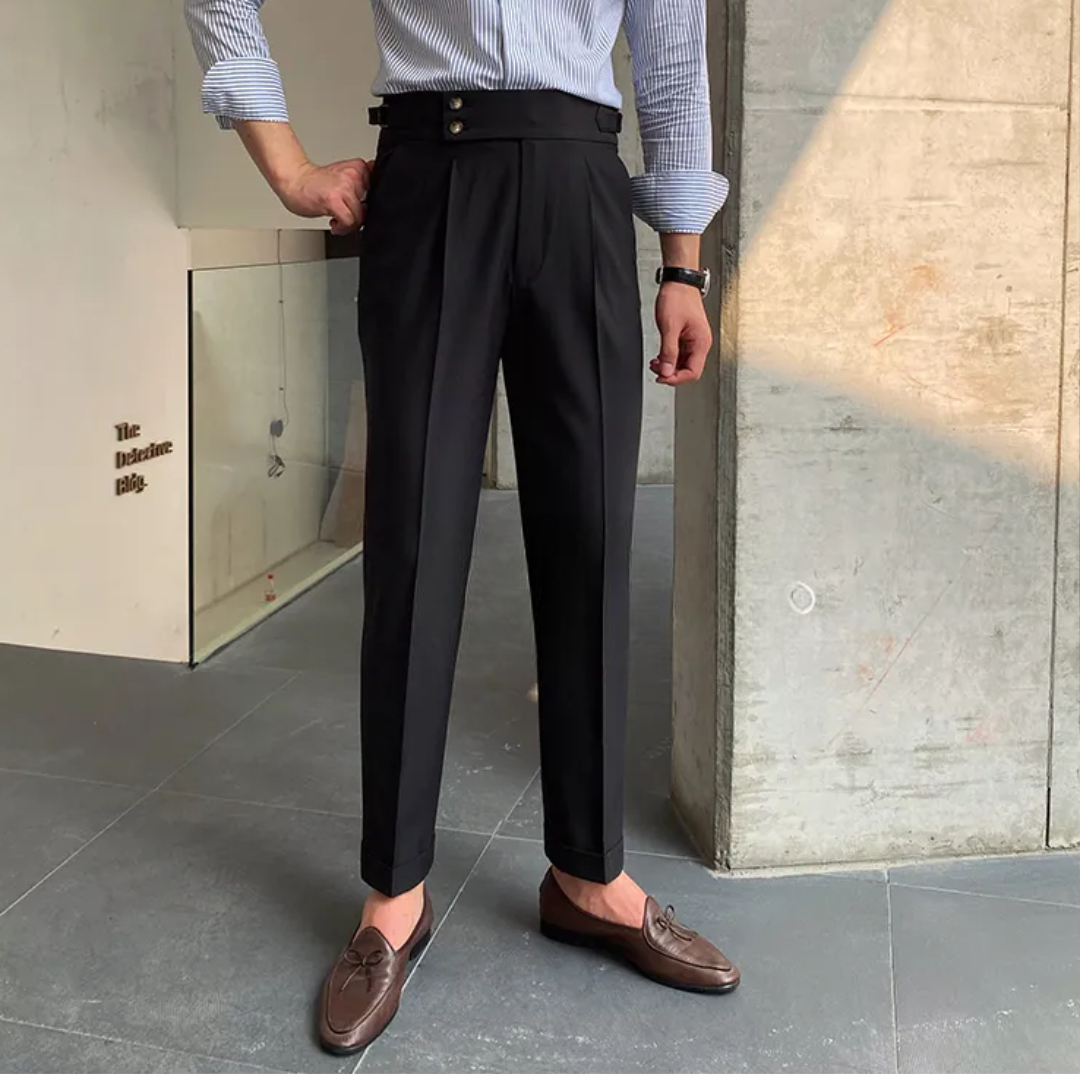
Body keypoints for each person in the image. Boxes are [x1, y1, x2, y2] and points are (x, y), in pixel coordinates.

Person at [184, 0, 740, 1055]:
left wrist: (682, 264)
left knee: (591, 540)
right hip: (429, 182)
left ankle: (591, 877)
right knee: (413, 550)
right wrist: (286, 165)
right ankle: (393, 894)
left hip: (582, 186)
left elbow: (671, 58)